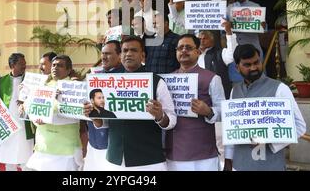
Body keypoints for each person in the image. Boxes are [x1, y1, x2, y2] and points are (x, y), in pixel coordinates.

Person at [85, 36, 177, 171]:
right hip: (114, 160)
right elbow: (104, 122)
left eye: (133, 50)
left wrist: (160, 116)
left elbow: (172, 120)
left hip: (149, 161)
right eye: (125, 50)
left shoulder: (156, 81)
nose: (128, 54)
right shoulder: (107, 81)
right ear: (120, 55)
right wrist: (94, 116)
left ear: (143, 55)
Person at [223, 44, 306, 171]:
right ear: (237, 67)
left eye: (256, 62)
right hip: (240, 165)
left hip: (270, 165)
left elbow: (300, 126)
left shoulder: (280, 88)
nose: (253, 67)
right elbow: (231, 127)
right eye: (247, 65)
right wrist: (228, 159)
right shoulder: (235, 91)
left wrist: (269, 141)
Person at [165, 34, 225, 171]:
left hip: (204, 154)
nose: (184, 50)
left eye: (188, 47)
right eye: (180, 48)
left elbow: (223, 110)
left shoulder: (213, 78)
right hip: (175, 151)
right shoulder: (167, 80)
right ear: (176, 52)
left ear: (198, 52)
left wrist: (209, 111)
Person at [26, 55, 83, 171]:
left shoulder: (75, 87)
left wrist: (47, 118)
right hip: (43, 146)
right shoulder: (42, 85)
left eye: (60, 66)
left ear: (68, 70)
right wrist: (36, 120)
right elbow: (30, 106)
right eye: (53, 65)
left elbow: (75, 116)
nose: (55, 68)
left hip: (66, 149)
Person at [84, 41, 122, 171]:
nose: (103, 57)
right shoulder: (96, 76)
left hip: (112, 147)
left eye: (108, 54)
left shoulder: (125, 79)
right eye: (102, 54)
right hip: (94, 142)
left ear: (120, 55)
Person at [0, 53, 34, 171]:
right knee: (9, 161)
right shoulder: (2, 81)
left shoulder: (30, 80)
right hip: (7, 125)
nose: (24, 66)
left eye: (25, 64)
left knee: (26, 160)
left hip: (24, 125)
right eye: (21, 64)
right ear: (12, 65)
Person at [198, 20, 238, 99]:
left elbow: (232, 54)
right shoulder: (195, 55)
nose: (202, 41)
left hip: (220, 96)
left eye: (205, 38)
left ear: (212, 40)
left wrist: (229, 33)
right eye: (200, 39)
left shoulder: (220, 53)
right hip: (201, 96)